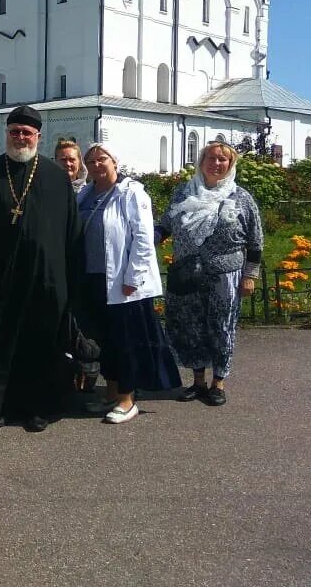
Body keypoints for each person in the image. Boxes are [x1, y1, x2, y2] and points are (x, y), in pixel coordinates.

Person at [0, 106, 83, 432]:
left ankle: (39, 408)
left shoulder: (56, 177)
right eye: (14, 132)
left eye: (26, 132)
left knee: (40, 345)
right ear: (6, 134)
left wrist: (68, 279)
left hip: (45, 281)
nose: (20, 137)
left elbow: (72, 232)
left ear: (38, 136)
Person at [78, 144, 180, 424]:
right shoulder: (86, 194)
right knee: (105, 340)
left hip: (123, 285)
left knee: (127, 341)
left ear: (115, 162)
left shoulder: (131, 192)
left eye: (102, 159)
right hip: (94, 279)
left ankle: (127, 398)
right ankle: (111, 393)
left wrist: (133, 278)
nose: (97, 165)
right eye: (91, 160)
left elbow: (144, 238)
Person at [157, 141, 263, 407]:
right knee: (191, 326)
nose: (217, 164)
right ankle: (197, 381)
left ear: (230, 165)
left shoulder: (240, 198)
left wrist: (250, 276)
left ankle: (218, 382)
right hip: (188, 274)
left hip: (224, 275)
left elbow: (255, 242)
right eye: (212, 158)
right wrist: (145, 239)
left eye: (223, 160)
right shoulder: (184, 193)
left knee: (221, 327)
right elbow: (166, 225)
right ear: (201, 162)